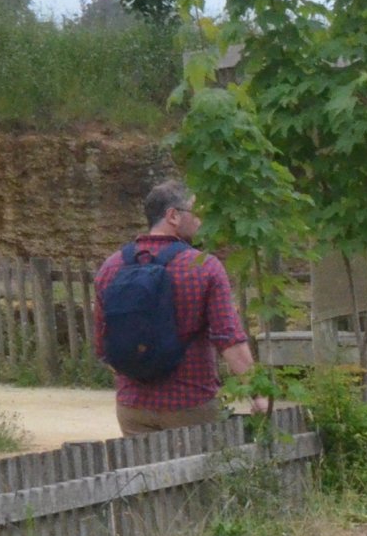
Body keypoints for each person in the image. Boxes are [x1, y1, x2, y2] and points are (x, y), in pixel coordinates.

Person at [92, 179, 254, 437]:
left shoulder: (110, 268)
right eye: (196, 212)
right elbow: (229, 340)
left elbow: (103, 348)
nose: (201, 221)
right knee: (199, 477)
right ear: (173, 216)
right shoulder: (204, 266)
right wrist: (258, 395)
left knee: (143, 477)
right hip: (191, 405)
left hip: (132, 408)